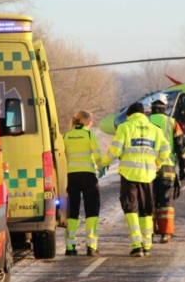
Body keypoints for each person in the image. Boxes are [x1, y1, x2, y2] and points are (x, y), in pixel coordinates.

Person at [102, 103, 170, 257]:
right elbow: (166, 151)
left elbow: (115, 150)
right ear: (144, 114)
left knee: (130, 207)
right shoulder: (155, 130)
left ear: (129, 115)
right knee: (146, 208)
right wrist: (157, 163)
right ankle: (147, 244)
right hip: (148, 175)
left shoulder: (125, 127)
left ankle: (136, 245)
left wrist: (103, 163)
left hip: (129, 175)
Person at [148, 93, 185, 243]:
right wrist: (183, 168)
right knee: (165, 201)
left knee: (149, 201)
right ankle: (165, 234)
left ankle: (149, 233)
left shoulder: (144, 122)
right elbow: (181, 148)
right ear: (165, 107)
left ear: (151, 106)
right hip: (168, 168)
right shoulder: (172, 123)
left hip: (148, 168)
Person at [63, 110, 102, 256]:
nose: (91, 124)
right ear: (85, 121)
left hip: (71, 177)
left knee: (72, 211)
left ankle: (70, 246)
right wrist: (101, 166)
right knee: (92, 210)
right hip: (88, 177)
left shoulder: (66, 136)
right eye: (90, 121)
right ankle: (91, 246)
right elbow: (97, 155)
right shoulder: (89, 135)